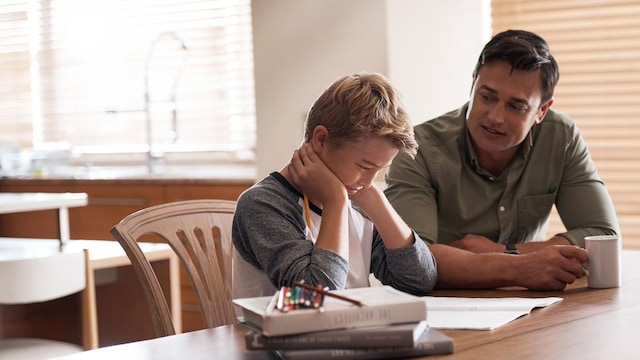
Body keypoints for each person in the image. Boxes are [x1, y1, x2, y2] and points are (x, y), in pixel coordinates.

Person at [385, 29, 619, 291]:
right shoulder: (419, 148)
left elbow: (603, 236)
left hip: (535, 307)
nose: (495, 117)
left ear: (542, 110)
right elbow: (411, 260)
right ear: (472, 84)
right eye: (487, 97)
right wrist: (521, 266)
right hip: (447, 306)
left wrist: (507, 251)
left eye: (516, 106)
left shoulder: (561, 137)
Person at [232, 72, 438, 300]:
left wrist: (377, 203)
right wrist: (335, 202)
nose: (368, 182)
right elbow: (314, 298)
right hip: (279, 335)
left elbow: (419, 280)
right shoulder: (262, 205)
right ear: (320, 139)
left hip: (353, 334)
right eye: (364, 166)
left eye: (380, 169)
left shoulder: (359, 199)